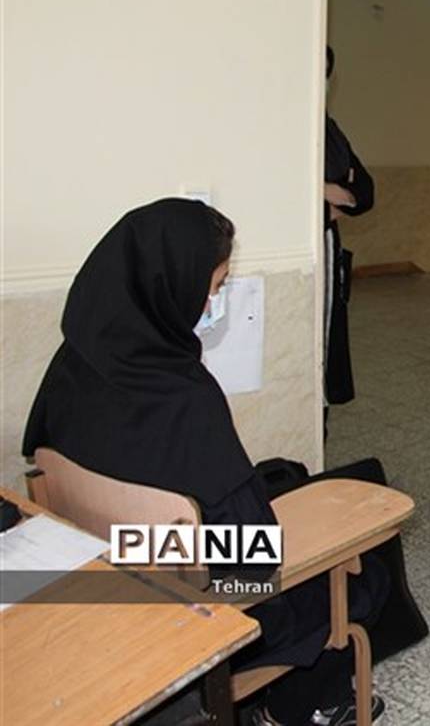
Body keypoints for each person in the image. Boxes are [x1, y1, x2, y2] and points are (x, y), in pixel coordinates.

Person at [21, 199, 392, 725]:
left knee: (284, 478)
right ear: (171, 286)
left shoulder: (72, 365)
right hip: (203, 607)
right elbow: (255, 560)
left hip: (113, 571)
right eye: (214, 286)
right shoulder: (184, 398)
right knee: (361, 574)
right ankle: (298, 707)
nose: (213, 303)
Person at [324, 46, 374, 419]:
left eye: (326, 73)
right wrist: (330, 188)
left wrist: (331, 193)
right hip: (313, 251)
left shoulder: (329, 129)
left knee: (326, 352)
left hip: (329, 248)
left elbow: (366, 192)